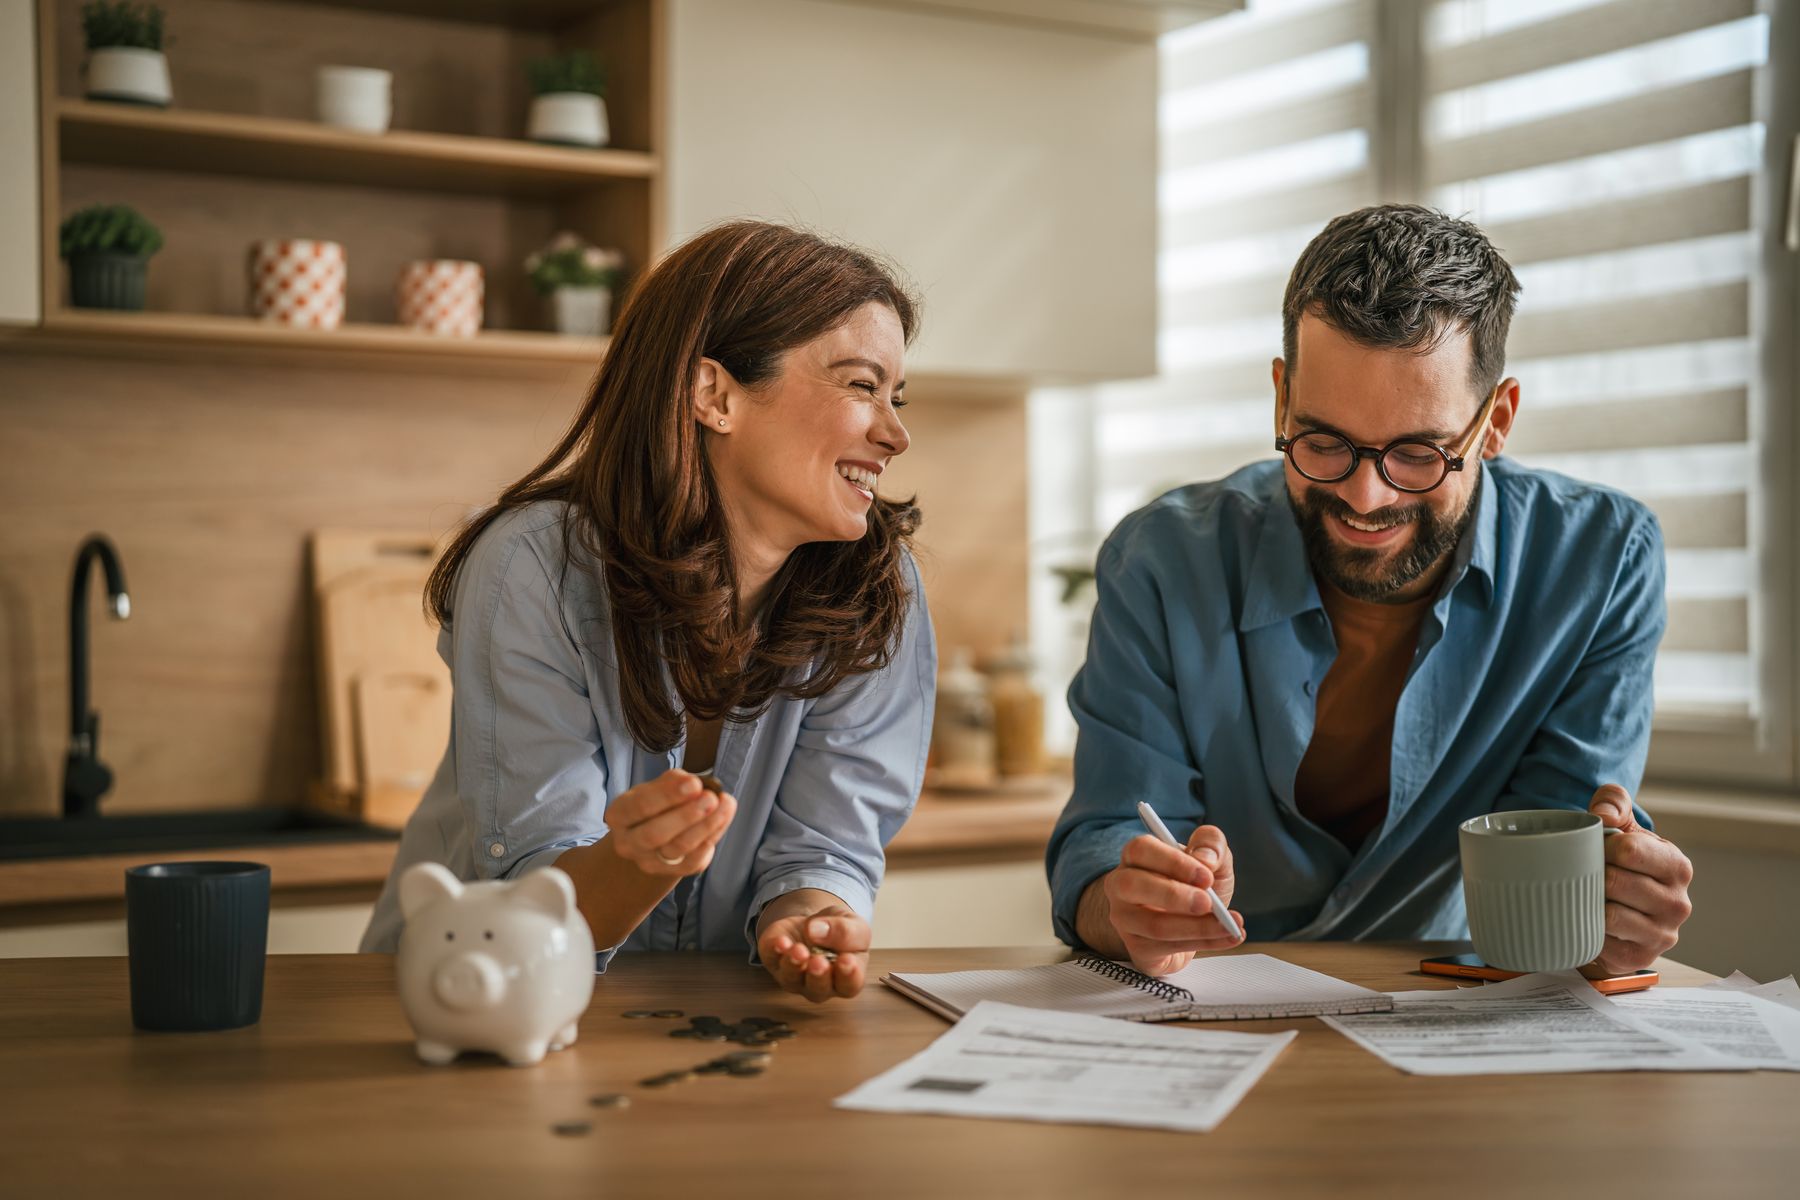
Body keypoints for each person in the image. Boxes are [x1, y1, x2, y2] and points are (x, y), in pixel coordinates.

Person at [1047, 204, 1694, 978]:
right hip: (1212, 1013)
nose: (1364, 496)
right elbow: (1105, 845)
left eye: (1418, 454)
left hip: (1461, 1006)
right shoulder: (1160, 561)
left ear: (1497, 421)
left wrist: (1612, 904)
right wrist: (1128, 904)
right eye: (1324, 443)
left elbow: (1565, 852)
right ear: (1282, 399)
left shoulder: (1600, 560)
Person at [360, 220, 935, 1004]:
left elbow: (826, 846)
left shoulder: (877, 590)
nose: (896, 433)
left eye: (896, 396)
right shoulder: (533, 566)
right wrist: (641, 860)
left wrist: (808, 918)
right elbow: (539, 893)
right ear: (715, 394)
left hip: (712, 1028)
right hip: (473, 1003)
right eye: (863, 386)